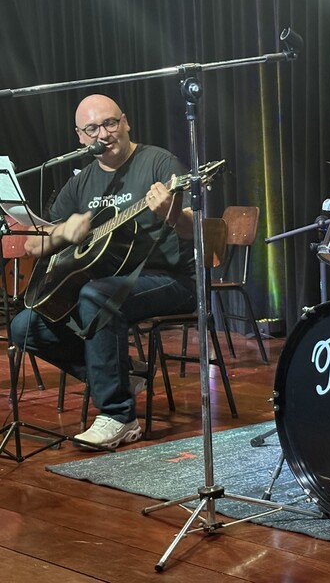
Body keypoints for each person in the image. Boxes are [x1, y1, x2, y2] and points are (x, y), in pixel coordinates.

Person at [11, 94, 198, 449]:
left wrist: (171, 213)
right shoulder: (82, 181)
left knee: (96, 296)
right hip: (106, 286)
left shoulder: (158, 162)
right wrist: (63, 232)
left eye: (110, 123)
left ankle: (118, 415)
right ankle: (122, 376)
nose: (103, 134)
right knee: (25, 325)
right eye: (92, 129)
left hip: (170, 279)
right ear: (80, 137)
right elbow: (34, 244)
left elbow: (196, 228)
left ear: (125, 122)